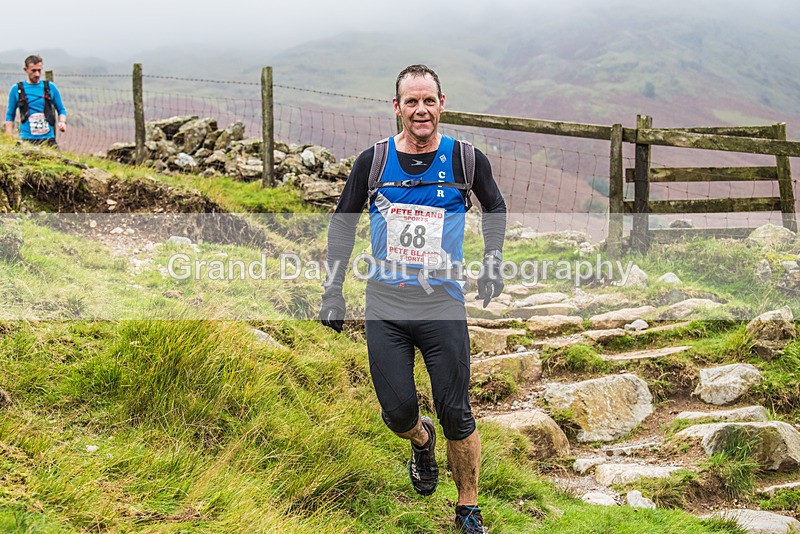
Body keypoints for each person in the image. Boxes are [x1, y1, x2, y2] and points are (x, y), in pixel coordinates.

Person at [319, 64, 506, 533]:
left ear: (442, 104)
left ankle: (468, 509)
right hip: (385, 303)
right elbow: (343, 222)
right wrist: (333, 290)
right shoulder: (374, 161)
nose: (420, 110)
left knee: (456, 410)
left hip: (441, 301)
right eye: (411, 102)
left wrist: (494, 259)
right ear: (396, 107)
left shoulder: (466, 159)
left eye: (429, 101)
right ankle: (420, 441)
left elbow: (495, 206)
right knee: (398, 411)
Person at [5, 54, 67, 146]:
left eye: (39, 70)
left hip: (48, 139)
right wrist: (9, 136)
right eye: (33, 71)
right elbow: (10, 115)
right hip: (26, 139)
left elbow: (61, 109)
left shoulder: (50, 87)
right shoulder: (16, 89)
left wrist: (62, 122)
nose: (37, 74)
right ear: (25, 70)